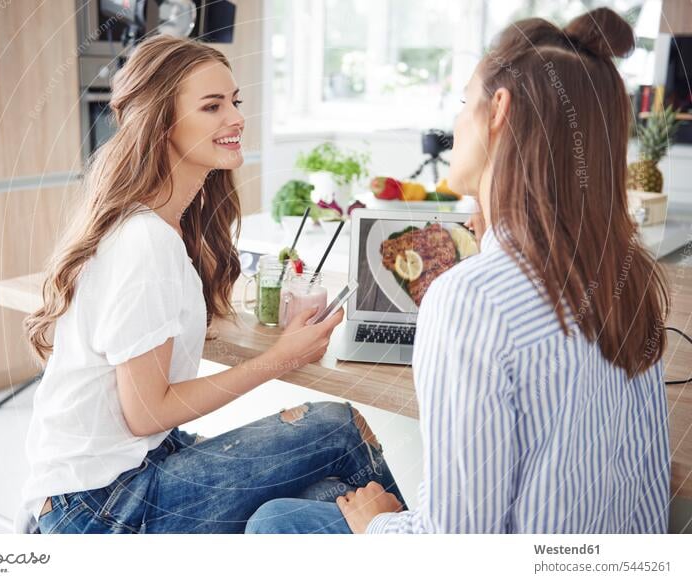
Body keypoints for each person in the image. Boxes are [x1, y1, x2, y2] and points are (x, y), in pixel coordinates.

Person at [247, 7, 670, 534]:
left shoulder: (471, 300)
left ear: (498, 109)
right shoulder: (628, 277)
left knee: (276, 523)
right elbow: (653, 496)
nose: (453, 124)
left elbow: (457, 545)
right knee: (320, 493)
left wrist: (377, 526)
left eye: (462, 102)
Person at [14, 35, 403, 534]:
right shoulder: (143, 242)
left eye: (235, 101)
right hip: (103, 505)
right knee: (338, 428)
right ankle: (418, 548)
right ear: (163, 123)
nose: (236, 117)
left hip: (115, 479)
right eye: (212, 106)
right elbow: (146, 412)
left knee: (322, 497)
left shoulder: (165, 225)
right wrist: (283, 356)